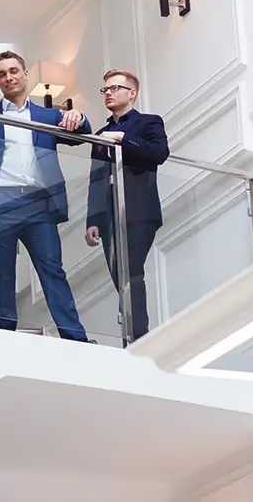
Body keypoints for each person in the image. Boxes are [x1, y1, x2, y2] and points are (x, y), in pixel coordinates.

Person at [0, 50, 92, 341]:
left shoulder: (48, 115)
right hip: (1, 203)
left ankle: (76, 340)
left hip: (40, 204)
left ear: (25, 75)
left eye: (13, 71)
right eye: (2, 74)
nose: (8, 77)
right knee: (1, 275)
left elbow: (83, 133)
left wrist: (78, 115)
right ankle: (3, 341)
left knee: (52, 271)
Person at [84, 69, 169, 345]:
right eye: (105, 89)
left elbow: (159, 153)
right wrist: (92, 220)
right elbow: (96, 179)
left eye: (114, 88)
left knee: (131, 270)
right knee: (120, 276)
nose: (108, 93)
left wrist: (122, 139)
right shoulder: (100, 134)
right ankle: (131, 331)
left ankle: (138, 337)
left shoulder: (148, 122)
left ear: (131, 92)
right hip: (109, 215)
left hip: (139, 211)